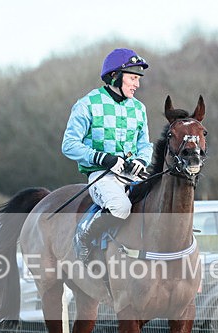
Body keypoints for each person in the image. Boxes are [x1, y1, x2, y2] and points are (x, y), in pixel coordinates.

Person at [62, 48, 153, 262]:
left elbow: (145, 144)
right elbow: (69, 145)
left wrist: (141, 159)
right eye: (132, 78)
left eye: (138, 79)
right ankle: (84, 238)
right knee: (120, 207)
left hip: (133, 175)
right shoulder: (87, 104)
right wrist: (102, 158)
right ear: (115, 76)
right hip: (102, 176)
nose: (137, 84)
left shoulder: (139, 109)